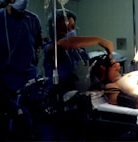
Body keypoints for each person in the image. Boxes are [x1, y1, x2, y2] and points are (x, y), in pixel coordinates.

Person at [41, 8, 114, 140]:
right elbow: (63, 44)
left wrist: (103, 71)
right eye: (65, 30)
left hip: (81, 106)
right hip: (60, 107)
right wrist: (99, 40)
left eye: (73, 27)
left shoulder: (80, 51)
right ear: (54, 32)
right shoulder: (50, 48)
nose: (71, 32)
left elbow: (87, 77)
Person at [0, 0, 43, 140]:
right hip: (3, 84)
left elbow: (38, 46)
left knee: (31, 127)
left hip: (29, 81)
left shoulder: (32, 20)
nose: (24, 0)